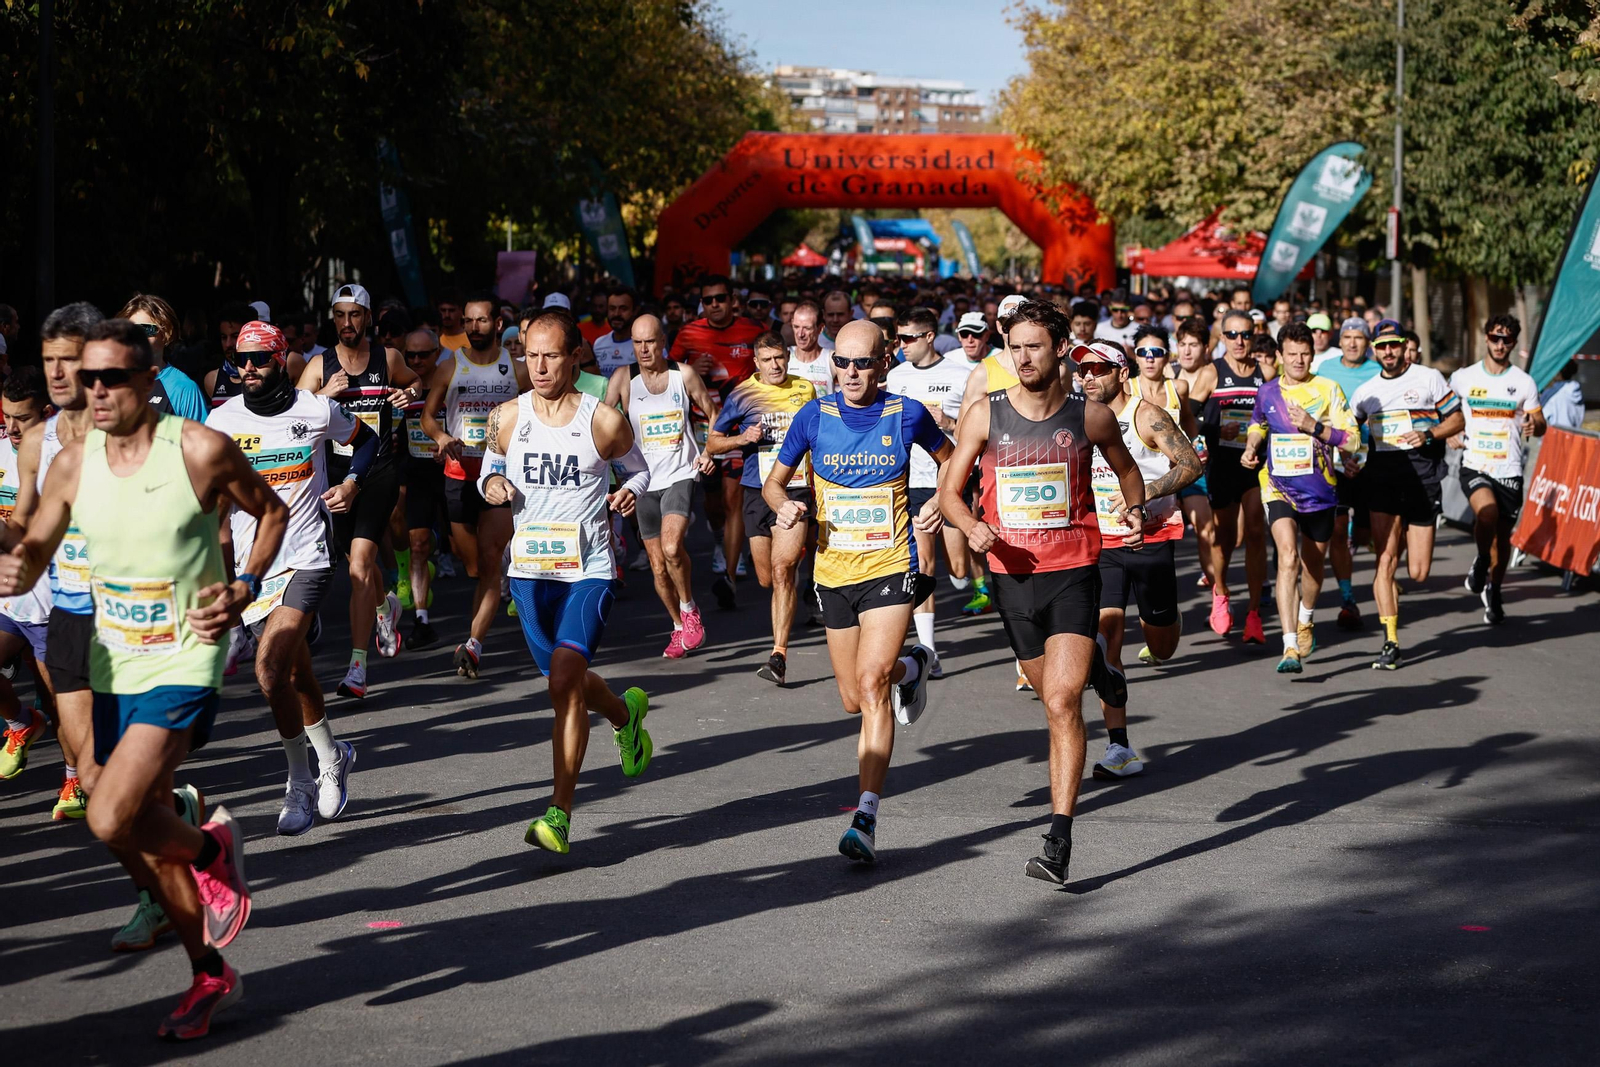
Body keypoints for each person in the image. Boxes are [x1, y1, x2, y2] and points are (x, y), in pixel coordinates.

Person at [0, 318, 289, 1039]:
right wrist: (18, 559)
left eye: (110, 378)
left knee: (106, 813)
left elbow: (272, 511)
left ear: (149, 379)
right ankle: (208, 968)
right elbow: (35, 551)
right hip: (110, 658)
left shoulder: (199, 450)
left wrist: (246, 584)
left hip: (183, 659)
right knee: (121, 812)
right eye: (85, 378)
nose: (93, 391)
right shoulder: (71, 462)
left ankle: (210, 850)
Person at [938, 305, 1144, 885]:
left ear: (1059, 349)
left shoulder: (1092, 416)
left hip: (1075, 569)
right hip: (1010, 576)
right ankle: (1102, 664)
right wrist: (970, 525)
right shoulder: (984, 415)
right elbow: (951, 491)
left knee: (1059, 702)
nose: (1024, 358)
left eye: (1035, 347)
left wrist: (1133, 509)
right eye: (1016, 347)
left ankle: (1059, 835)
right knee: (1042, 678)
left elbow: (1128, 473)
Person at [766, 319, 948, 863]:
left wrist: (941, 500)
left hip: (891, 562)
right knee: (853, 698)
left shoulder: (905, 413)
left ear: (883, 362)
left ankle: (866, 816)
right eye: (840, 362)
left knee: (871, 685)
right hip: (833, 572)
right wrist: (786, 506)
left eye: (861, 362)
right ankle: (912, 666)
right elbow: (775, 482)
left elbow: (953, 460)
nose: (849, 373)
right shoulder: (814, 416)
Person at [477, 311, 652, 854]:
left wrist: (630, 493)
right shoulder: (507, 416)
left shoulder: (602, 420)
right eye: (531, 355)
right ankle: (626, 715)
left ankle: (559, 813)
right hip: (529, 575)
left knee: (563, 681)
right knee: (567, 684)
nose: (540, 365)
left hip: (588, 572)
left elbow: (640, 469)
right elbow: (487, 471)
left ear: (575, 355)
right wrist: (495, 483)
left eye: (551, 354)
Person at [208, 321, 373, 833]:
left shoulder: (316, 409)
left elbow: (366, 442)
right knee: (295, 675)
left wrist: (351, 482)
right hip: (255, 569)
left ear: (282, 361)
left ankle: (298, 780)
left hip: (308, 554)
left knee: (268, 670)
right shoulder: (221, 421)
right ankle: (333, 756)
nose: (247, 368)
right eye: (240, 360)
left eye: (258, 359)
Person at [1078, 340, 1201, 776]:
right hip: (1102, 546)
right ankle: (1119, 747)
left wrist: (1144, 493)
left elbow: (1190, 465)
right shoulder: (1079, 418)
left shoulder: (1147, 415)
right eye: (1083, 370)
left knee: (1162, 647)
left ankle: (1170, 620)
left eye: (1098, 369)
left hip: (1152, 541)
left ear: (1122, 373)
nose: (1088, 376)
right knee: (1107, 638)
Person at [295, 283, 421, 698]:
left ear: (367, 318)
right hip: (334, 477)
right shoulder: (318, 365)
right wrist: (320, 397)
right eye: (339, 315)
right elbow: (293, 418)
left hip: (378, 471)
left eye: (354, 315)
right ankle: (385, 606)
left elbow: (415, 381)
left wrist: (409, 393)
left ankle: (357, 668)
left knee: (358, 566)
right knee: (359, 566)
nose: (347, 323)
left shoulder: (388, 358)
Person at [422, 292, 531, 678]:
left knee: (486, 566)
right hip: (459, 475)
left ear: (497, 324)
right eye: (468, 321)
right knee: (472, 565)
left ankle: (473, 644)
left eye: (481, 320)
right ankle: (502, 563)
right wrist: (439, 437)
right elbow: (427, 416)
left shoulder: (517, 369)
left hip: (500, 476)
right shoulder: (450, 366)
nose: (473, 327)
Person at [1240, 324, 1359, 673]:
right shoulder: (1268, 391)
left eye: (1305, 354)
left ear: (1313, 354)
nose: (1298, 360)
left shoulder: (1327, 389)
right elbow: (1258, 423)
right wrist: (1252, 445)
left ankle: (1306, 617)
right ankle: (1289, 645)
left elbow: (1352, 440)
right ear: (1279, 356)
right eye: (1291, 354)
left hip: (1320, 492)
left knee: (1312, 565)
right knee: (1287, 557)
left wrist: (1315, 427)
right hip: (1277, 485)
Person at [1348, 319, 1464, 669]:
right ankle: (1391, 640)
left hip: (1423, 480)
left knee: (1418, 572)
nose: (1388, 352)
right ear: (1374, 350)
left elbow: (1457, 420)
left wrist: (1429, 435)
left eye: (1394, 345)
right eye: (1381, 346)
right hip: (1383, 480)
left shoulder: (1428, 378)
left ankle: (1394, 568)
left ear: (1403, 346)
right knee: (1383, 562)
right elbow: (1350, 435)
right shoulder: (1365, 392)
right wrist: (1350, 459)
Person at [707, 332, 816, 677]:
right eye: (767, 359)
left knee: (783, 570)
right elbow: (712, 443)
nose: (775, 365)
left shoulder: (806, 390)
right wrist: (742, 438)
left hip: (795, 490)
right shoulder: (742, 394)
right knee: (767, 577)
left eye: (780, 358)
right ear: (756, 362)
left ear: (788, 357)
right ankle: (791, 572)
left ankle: (778, 655)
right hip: (757, 491)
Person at [614, 314, 717, 657]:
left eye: (650, 342)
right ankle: (677, 625)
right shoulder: (623, 379)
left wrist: (707, 451)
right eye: (637, 342)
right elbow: (601, 422)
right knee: (657, 566)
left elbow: (713, 413)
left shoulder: (682, 375)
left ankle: (689, 608)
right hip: (642, 481)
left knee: (673, 548)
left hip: (679, 474)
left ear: (663, 342)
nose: (643, 349)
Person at [886, 307, 971, 678]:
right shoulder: (895, 376)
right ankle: (930, 652)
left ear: (929, 337)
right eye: (898, 339)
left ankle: (965, 575)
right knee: (922, 562)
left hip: (952, 477)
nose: (901, 346)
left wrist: (948, 422)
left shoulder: (961, 374)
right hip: (911, 481)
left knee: (957, 566)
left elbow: (976, 425)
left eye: (908, 339)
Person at [670, 275, 764, 591]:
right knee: (712, 499)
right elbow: (668, 378)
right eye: (708, 300)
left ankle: (731, 569)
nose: (714, 305)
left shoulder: (753, 330)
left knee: (732, 496)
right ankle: (719, 538)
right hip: (702, 427)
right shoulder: (688, 333)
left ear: (732, 299)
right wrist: (693, 368)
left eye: (720, 299)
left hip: (740, 427)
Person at [1450, 314, 1546, 623]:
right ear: (1486, 338)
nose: (1500, 344)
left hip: (1510, 467)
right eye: (1495, 338)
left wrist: (1535, 423)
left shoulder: (1523, 382)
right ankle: (1480, 562)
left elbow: (1540, 422)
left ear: (1514, 344)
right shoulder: (1464, 378)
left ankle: (1494, 588)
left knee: (1503, 538)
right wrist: (1450, 431)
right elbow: (1444, 412)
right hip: (1475, 463)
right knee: (1486, 513)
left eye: (1506, 340)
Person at [0, 367, 59, 808]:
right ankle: (22, 721)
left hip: (58, 602)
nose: (11, 428)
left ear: (47, 412)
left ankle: (77, 778)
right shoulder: (4, 450)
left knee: (65, 708)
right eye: (5, 418)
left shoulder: (68, 455)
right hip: (12, 596)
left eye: (21, 418)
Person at [1201, 310, 1269, 645]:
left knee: (1256, 530)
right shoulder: (1211, 372)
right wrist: (1214, 428)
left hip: (1256, 464)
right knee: (1224, 537)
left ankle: (1254, 613)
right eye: (1232, 334)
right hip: (1222, 466)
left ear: (1254, 336)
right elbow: (1188, 416)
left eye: (1245, 335)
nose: (1239, 341)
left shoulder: (1266, 372)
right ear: (1223, 337)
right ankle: (1222, 590)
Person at [1314, 316, 1382, 630]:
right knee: (1338, 529)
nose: (1353, 343)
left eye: (1359, 338)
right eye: (1348, 337)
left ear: (1368, 343)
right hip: (1336, 461)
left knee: (1368, 533)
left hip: (1374, 460)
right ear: (1339, 341)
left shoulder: (1378, 371)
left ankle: (1379, 566)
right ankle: (1347, 597)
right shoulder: (1325, 370)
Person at [396, 329, 445, 648]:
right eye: (410, 355)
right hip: (417, 473)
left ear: (437, 353)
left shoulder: (450, 381)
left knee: (474, 559)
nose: (416, 361)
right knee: (417, 544)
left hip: (453, 471)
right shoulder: (404, 389)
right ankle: (421, 620)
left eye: (422, 355)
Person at [118, 295, 210, 422]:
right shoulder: (112, 381)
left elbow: (200, 440)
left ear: (166, 333)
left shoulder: (183, 388)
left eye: (145, 330)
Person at [787, 300, 835, 397]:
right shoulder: (783, 356)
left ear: (820, 328)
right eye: (796, 327)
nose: (800, 334)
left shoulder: (831, 359)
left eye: (807, 328)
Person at [591, 285, 639, 375]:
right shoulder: (599, 344)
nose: (616, 314)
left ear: (635, 311)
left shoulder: (645, 346)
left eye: (623, 309)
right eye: (612, 308)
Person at [1539, 360, 1585, 430]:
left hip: (1555, 438)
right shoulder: (1576, 391)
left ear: (1557, 372)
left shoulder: (1553, 395)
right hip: (1572, 437)